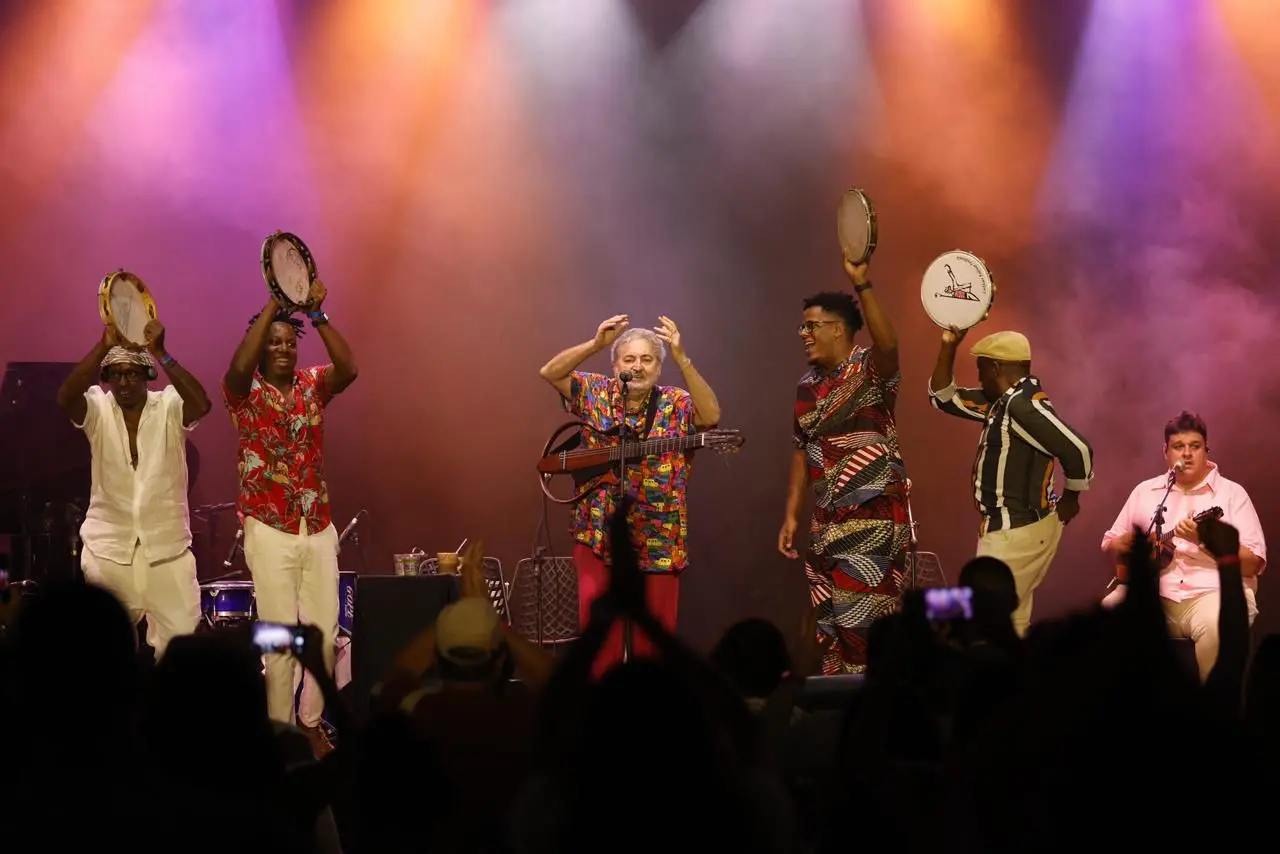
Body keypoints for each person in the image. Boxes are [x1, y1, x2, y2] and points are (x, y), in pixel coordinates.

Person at [538, 314, 721, 673]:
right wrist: (595, 344)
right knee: (599, 633)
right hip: (597, 531)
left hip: (659, 533)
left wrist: (682, 357)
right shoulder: (595, 392)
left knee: (654, 637)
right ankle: (599, 715)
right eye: (629, 359)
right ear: (616, 365)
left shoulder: (675, 401)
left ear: (657, 366)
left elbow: (711, 415)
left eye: (647, 359)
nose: (637, 367)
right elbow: (551, 372)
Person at [223, 281, 358, 757]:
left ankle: (309, 721)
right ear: (262, 346)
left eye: (289, 341)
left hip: (317, 523)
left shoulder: (312, 386)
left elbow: (350, 368)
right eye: (273, 342)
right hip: (268, 524)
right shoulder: (245, 393)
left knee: (324, 635)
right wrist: (272, 307)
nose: (282, 348)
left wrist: (317, 316)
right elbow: (238, 367)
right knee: (279, 639)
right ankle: (278, 735)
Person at [778, 256, 908, 674]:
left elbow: (890, 346)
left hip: (873, 523)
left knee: (867, 630)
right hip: (825, 524)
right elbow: (800, 449)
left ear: (838, 329)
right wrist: (791, 517)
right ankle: (838, 723)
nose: (803, 335)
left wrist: (864, 284)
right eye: (802, 326)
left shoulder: (871, 370)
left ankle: (873, 719)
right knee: (829, 633)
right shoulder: (805, 387)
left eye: (811, 326)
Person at [55, 320, 212, 659]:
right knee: (104, 657)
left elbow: (201, 404)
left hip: (167, 552)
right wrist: (103, 346)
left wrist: (162, 353)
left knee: (183, 656)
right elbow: (66, 397)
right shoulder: (98, 408)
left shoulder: (169, 405)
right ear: (107, 377)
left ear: (147, 376)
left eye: (133, 373)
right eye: (116, 374)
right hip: (108, 551)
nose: (124, 382)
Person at [928, 326, 1093, 636]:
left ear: (996, 367)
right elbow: (943, 398)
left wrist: (1072, 497)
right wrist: (948, 346)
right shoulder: (1003, 402)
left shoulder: (1022, 406)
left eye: (981, 370)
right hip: (1015, 529)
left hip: (1014, 532)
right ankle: (1015, 680)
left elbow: (1078, 449)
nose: (979, 380)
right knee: (1012, 624)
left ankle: (917, 611)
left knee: (973, 616)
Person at [1100, 411, 1265, 679]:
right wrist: (1125, 545)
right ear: (1165, 452)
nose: (1187, 454)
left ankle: (1213, 714)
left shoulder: (1232, 494)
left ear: (1206, 450)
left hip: (1212, 592)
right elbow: (1109, 543)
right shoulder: (1146, 491)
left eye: (1195, 447)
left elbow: (1253, 563)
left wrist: (1205, 540)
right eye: (1179, 447)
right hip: (1155, 593)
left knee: (1218, 626)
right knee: (1104, 618)